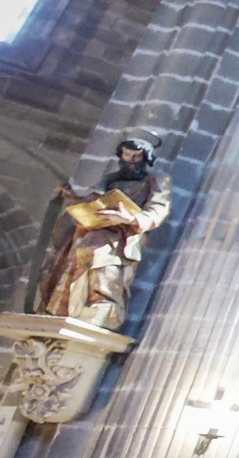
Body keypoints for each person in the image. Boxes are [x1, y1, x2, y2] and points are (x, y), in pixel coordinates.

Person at [34, 135, 172, 330]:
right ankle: (67, 307)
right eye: (126, 155)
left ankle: (102, 304)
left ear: (145, 158)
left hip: (122, 237)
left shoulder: (155, 180)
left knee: (101, 256)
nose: (130, 161)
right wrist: (73, 197)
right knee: (75, 257)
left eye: (136, 156)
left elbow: (158, 209)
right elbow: (93, 200)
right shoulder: (110, 179)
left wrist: (130, 219)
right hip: (92, 230)